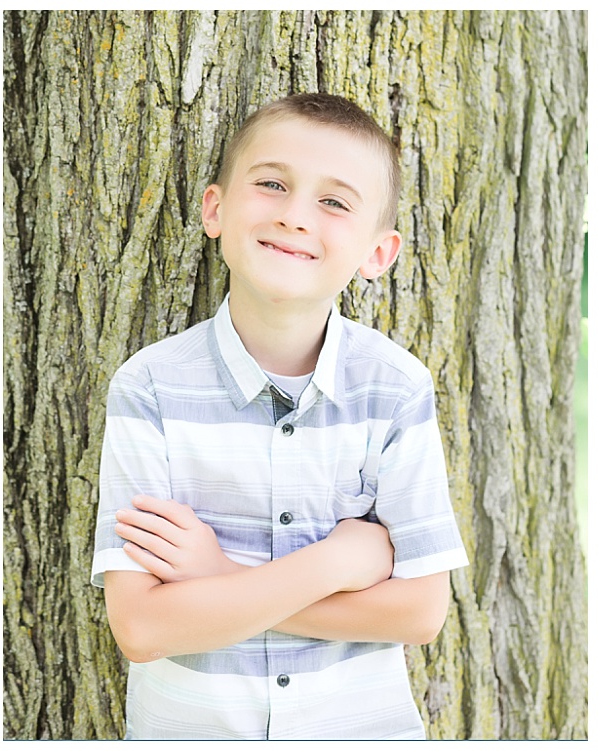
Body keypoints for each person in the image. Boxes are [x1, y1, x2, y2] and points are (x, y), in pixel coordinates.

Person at [91, 93, 468, 740]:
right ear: (216, 208)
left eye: (334, 202)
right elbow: (143, 627)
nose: (295, 216)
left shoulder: (395, 391)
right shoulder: (150, 388)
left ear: (378, 253)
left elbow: (419, 613)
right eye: (271, 184)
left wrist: (219, 579)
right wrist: (336, 565)